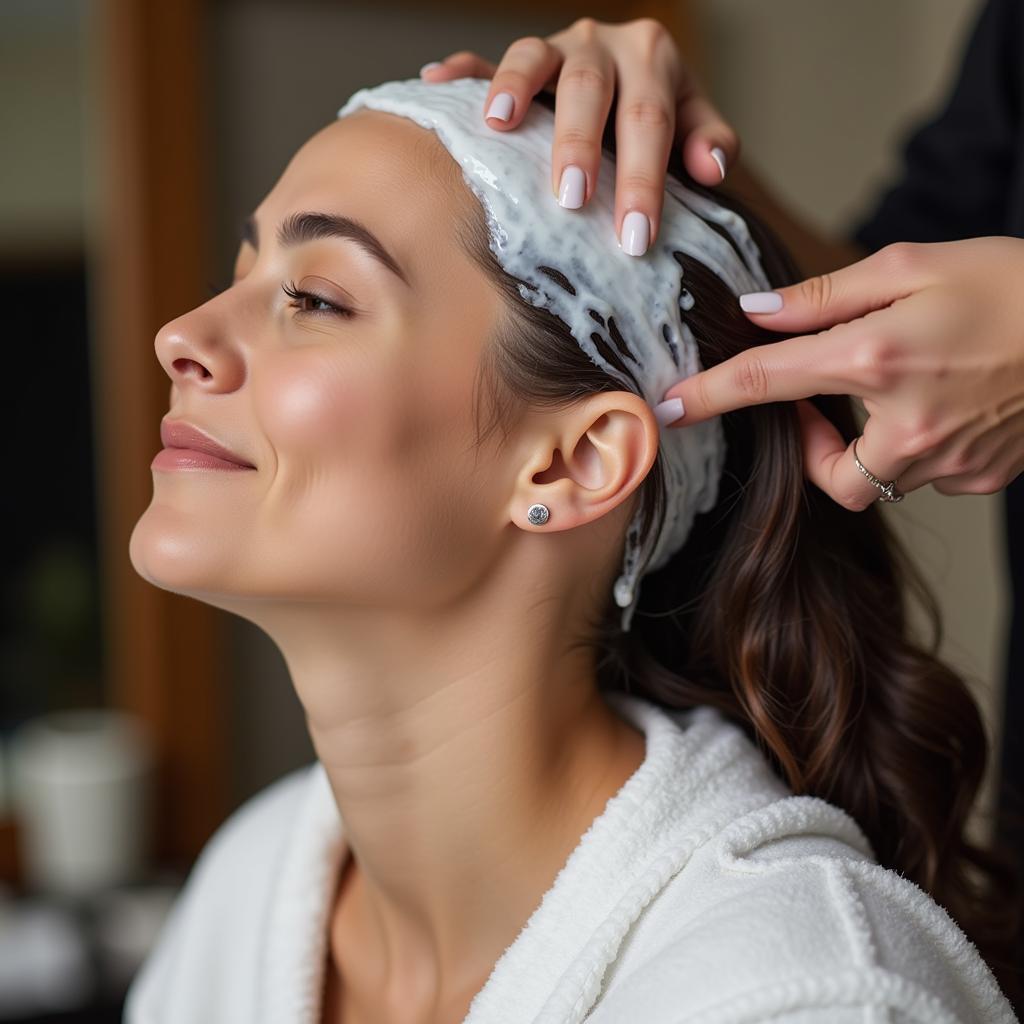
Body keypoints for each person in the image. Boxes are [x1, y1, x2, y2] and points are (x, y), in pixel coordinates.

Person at [121, 70, 1020, 1023]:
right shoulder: (251, 885)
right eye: (241, 270)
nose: (181, 335)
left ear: (573, 463)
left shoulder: (807, 994)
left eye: (314, 298)